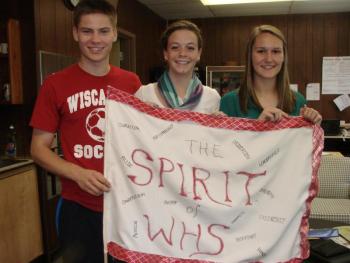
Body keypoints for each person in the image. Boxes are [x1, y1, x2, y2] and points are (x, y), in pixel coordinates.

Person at [30, 0, 141, 262]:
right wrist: (77, 173)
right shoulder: (55, 85)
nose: (95, 39)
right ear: (75, 34)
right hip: (78, 207)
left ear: (114, 34)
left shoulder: (131, 82)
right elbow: (37, 148)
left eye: (103, 31)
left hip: (127, 205)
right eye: (87, 31)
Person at [220, 24, 322, 124]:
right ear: (250, 55)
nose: (269, 59)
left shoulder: (298, 101)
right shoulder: (229, 102)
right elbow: (224, 141)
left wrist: (312, 127)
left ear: (284, 57)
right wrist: (257, 127)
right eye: (261, 51)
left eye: (276, 51)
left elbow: (301, 140)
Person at [135, 20, 220, 114]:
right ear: (166, 53)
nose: (182, 53)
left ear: (199, 54)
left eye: (190, 48)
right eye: (175, 47)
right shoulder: (144, 94)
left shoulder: (212, 97)